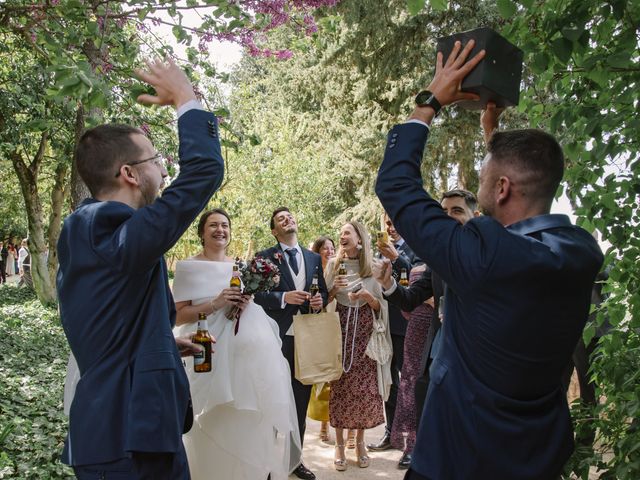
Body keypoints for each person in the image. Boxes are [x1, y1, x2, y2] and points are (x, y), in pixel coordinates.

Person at [375, 40, 604, 479]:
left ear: (500, 189)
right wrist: (493, 137)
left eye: (483, 178)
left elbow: (395, 184)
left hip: (459, 458)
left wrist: (430, 101)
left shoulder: (480, 257)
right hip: (536, 455)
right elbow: (515, 225)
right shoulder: (580, 252)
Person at [57, 58, 224, 479]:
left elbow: (116, 321)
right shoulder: (102, 226)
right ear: (129, 173)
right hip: (123, 439)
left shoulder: (102, 236)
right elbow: (204, 171)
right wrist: (186, 98)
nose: (164, 169)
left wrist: (163, 346)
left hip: (140, 431)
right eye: (155, 160)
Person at [172, 209, 302, 480]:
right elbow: (177, 315)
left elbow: (247, 301)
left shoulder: (240, 267)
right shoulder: (187, 267)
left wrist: (244, 303)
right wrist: (215, 304)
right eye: (213, 226)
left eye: (225, 225)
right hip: (207, 354)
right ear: (201, 233)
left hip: (247, 362)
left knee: (248, 418)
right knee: (212, 419)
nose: (220, 230)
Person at [253, 207, 328, 480]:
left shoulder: (314, 258)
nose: (288, 219)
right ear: (274, 231)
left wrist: (320, 302)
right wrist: (283, 297)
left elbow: (324, 292)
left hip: (306, 339)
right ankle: (269, 462)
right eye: (280, 219)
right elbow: (256, 295)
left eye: (290, 216)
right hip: (276, 338)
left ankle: (295, 461)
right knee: (273, 399)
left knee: (300, 400)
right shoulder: (264, 258)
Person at [325, 221, 390, 471]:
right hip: (339, 330)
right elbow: (323, 298)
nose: (342, 236)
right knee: (340, 387)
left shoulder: (373, 267)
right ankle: (340, 445)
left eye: (346, 232)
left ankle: (360, 443)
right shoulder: (333, 265)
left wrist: (367, 297)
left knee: (364, 391)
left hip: (365, 335)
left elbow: (381, 306)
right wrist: (333, 290)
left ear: (359, 238)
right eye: (340, 233)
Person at [368, 215, 413, 464]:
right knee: (391, 382)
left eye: (396, 222)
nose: (392, 228)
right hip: (387, 324)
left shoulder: (416, 245)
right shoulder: (380, 253)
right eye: (388, 224)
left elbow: (416, 276)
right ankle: (392, 434)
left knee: (409, 382)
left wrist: (396, 257)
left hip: (410, 325)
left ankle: (412, 442)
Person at [306, 235, 335, 444]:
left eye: (332, 247)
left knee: (336, 376)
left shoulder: (337, 269)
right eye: (324, 248)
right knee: (323, 378)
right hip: (319, 323)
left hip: (337, 321)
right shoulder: (313, 272)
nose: (329, 251)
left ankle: (340, 424)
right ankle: (324, 424)